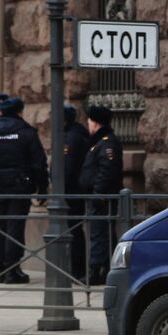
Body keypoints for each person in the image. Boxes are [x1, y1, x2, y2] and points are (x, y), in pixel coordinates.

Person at [0, 96, 46, 284]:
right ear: (20, 111)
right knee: (14, 227)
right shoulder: (26, 132)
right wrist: (42, 188)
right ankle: (12, 269)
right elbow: (39, 163)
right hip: (19, 187)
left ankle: (1, 268)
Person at [80, 104, 124, 285]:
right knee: (102, 233)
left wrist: (98, 193)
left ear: (95, 123)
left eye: (89, 121)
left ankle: (96, 270)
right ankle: (104, 268)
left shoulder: (106, 143)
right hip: (97, 196)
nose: (88, 124)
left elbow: (106, 171)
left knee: (99, 235)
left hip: (102, 198)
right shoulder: (99, 141)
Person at [62, 104, 93, 282]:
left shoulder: (72, 138)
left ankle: (77, 270)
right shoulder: (75, 134)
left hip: (72, 192)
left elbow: (67, 167)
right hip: (73, 191)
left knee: (74, 231)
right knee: (73, 231)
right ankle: (75, 268)